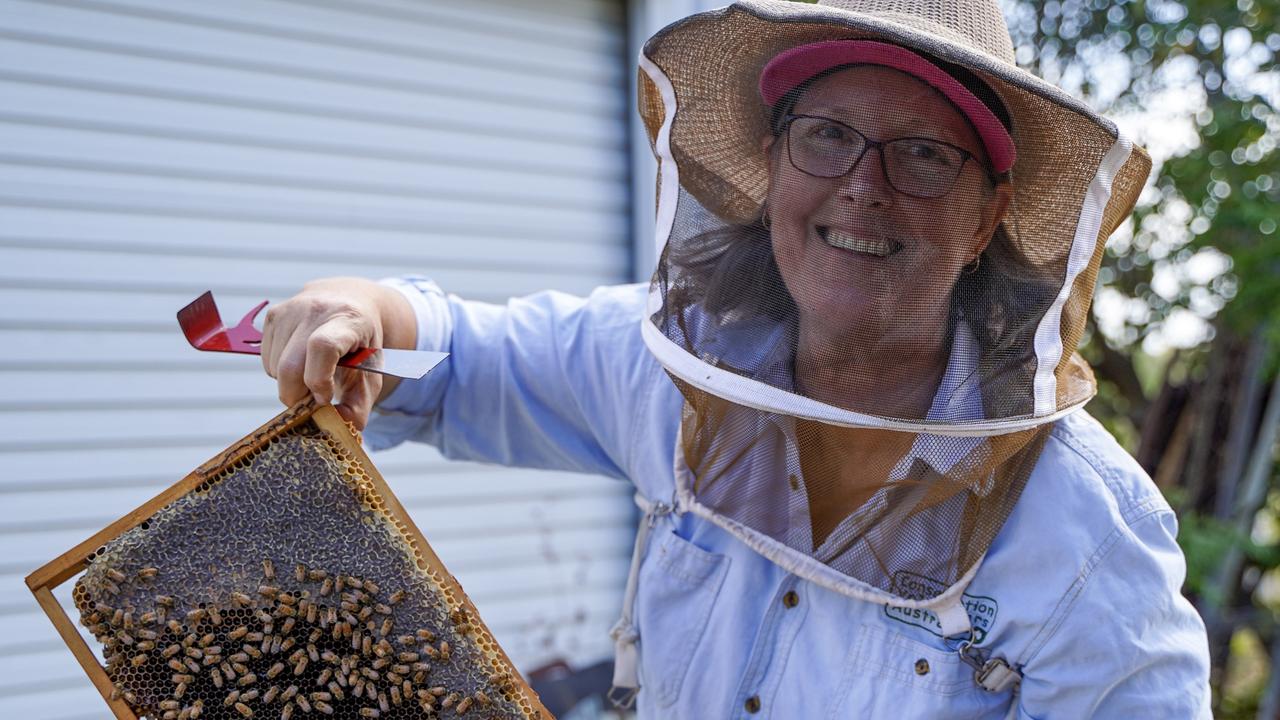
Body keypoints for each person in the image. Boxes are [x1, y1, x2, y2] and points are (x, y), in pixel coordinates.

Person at [260, 0, 1212, 716]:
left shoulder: (1091, 534)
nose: (863, 188)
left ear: (987, 219)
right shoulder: (672, 364)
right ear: (770, 168)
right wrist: (357, 311)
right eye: (827, 136)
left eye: (923, 154)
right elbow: (454, 355)